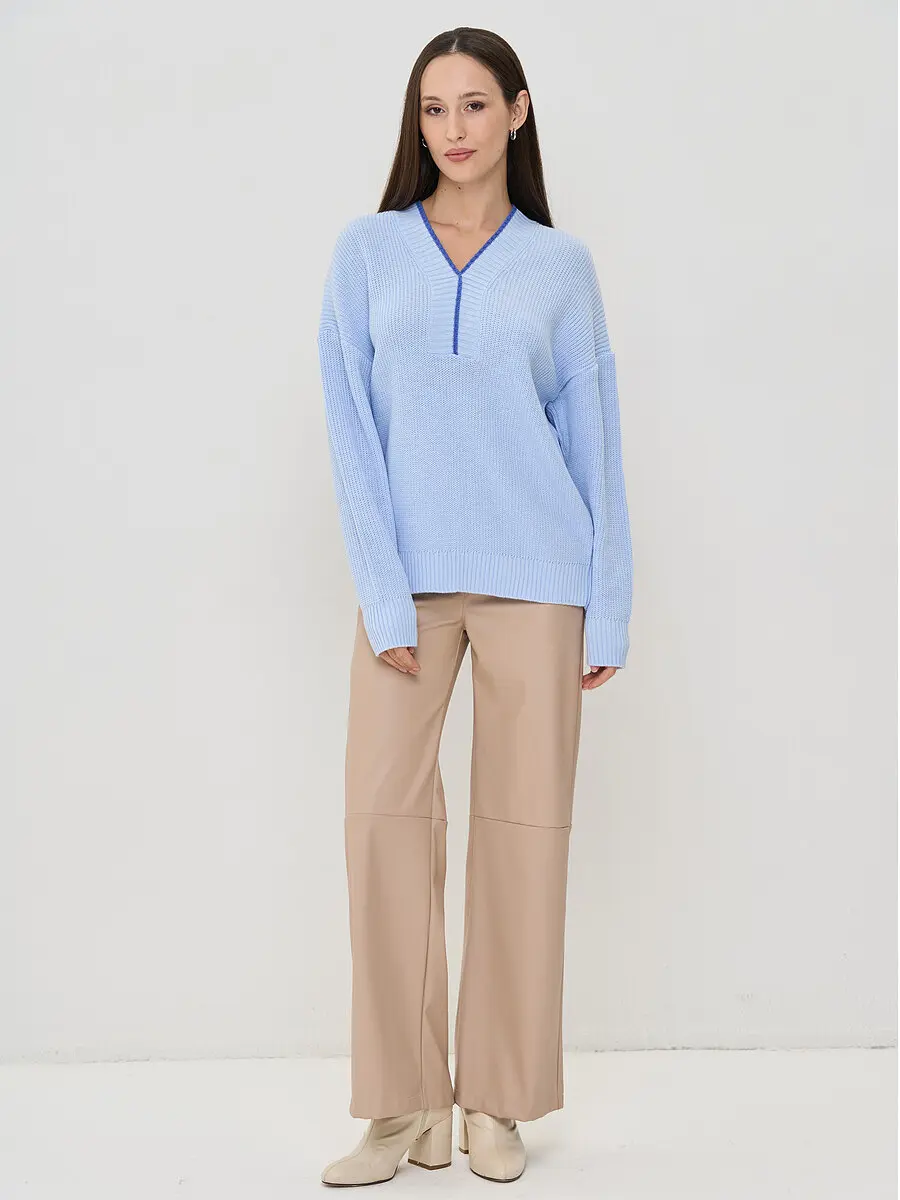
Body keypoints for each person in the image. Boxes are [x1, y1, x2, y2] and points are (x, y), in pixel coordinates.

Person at [316, 25, 633, 1187]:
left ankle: (495, 1101)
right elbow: (351, 426)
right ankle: (401, 1107)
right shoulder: (369, 253)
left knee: (522, 837)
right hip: (406, 587)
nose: (453, 129)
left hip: (540, 581)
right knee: (382, 830)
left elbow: (594, 438)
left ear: (518, 112)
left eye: (474, 105)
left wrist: (608, 606)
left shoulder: (559, 267)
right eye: (433, 109)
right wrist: (380, 590)